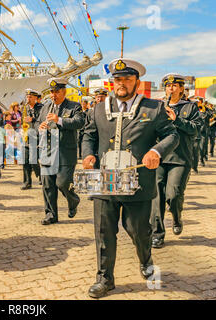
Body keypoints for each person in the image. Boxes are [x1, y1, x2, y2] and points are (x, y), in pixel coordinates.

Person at [82, 58, 179, 298]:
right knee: (103, 231)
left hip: (138, 183)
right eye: (117, 79)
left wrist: (156, 151)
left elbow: (172, 135)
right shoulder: (98, 108)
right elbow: (88, 136)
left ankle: (145, 259)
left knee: (138, 230)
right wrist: (88, 155)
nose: (121, 83)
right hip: (105, 181)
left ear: (137, 81)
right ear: (112, 82)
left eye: (126, 79)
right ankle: (105, 278)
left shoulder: (153, 109)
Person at [150, 74, 201, 249]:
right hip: (160, 157)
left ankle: (177, 217)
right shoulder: (158, 107)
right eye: (168, 85)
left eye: (175, 85)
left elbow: (196, 130)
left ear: (181, 88)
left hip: (180, 159)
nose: (171, 88)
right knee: (156, 197)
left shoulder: (190, 107)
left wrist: (176, 120)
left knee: (174, 195)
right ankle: (157, 233)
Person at [37, 78, 84, 225]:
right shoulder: (45, 107)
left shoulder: (74, 106)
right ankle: (51, 214)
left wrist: (59, 120)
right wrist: (40, 127)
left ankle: (73, 200)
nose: (53, 95)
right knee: (47, 185)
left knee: (62, 183)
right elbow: (38, 123)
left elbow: (79, 122)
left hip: (65, 152)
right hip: (48, 151)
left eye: (56, 91)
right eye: (51, 92)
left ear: (64, 91)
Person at [21, 88, 43, 190]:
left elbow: (43, 121)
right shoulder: (25, 108)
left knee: (33, 160)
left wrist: (33, 120)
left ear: (35, 98)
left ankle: (41, 175)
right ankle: (27, 182)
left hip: (37, 137)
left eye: (30, 97)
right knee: (25, 161)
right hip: (26, 136)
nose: (28, 99)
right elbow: (23, 122)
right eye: (27, 97)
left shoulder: (41, 108)